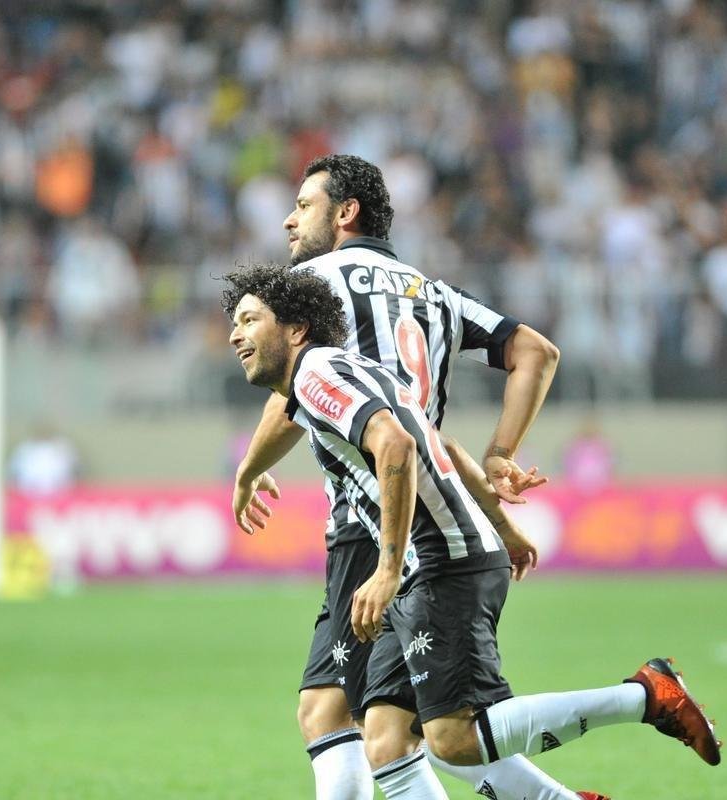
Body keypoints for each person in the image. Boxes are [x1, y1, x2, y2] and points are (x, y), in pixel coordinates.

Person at [224, 263, 721, 800]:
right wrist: (503, 524)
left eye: (250, 320)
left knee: (455, 740)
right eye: (235, 323)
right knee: (388, 739)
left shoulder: (315, 374)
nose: (235, 334)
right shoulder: (340, 370)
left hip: (442, 559)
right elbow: (445, 448)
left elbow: (397, 446)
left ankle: (645, 696)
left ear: (295, 329)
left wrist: (387, 568)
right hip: (438, 559)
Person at [232, 155, 591, 799]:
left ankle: (624, 716)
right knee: (398, 729)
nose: (289, 220)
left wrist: (249, 470)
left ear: (346, 213)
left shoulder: (312, 286)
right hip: (439, 503)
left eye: (304, 205)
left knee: (353, 718)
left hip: (373, 518)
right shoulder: (433, 291)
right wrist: (502, 452)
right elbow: (536, 351)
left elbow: (302, 396)